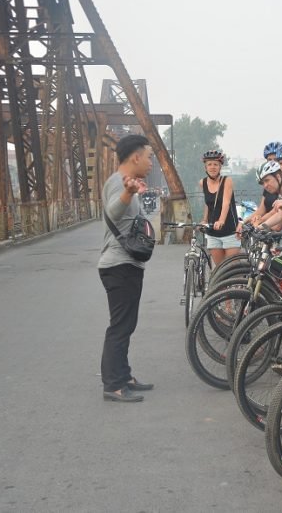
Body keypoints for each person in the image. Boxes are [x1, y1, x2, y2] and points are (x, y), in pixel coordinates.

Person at [98, 134, 156, 403]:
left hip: (126, 264)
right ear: (135, 157)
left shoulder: (125, 182)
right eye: (148, 156)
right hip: (119, 265)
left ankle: (124, 375)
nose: (150, 162)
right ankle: (113, 385)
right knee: (120, 327)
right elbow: (112, 212)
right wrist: (127, 193)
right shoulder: (117, 184)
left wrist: (134, 191)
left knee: (126, 325)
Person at [201, 149, 241, 265]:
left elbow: (226, 202)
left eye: (215, 164)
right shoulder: (202, 183)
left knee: (231, 268)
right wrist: (204, 219)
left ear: (220, 167)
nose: (212, 167)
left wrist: (221, 220)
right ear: (205, 167)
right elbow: (208, 204)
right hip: (213, 232)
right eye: (209, 164)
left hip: (230, 230)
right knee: (219, 269)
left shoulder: (227, 181)